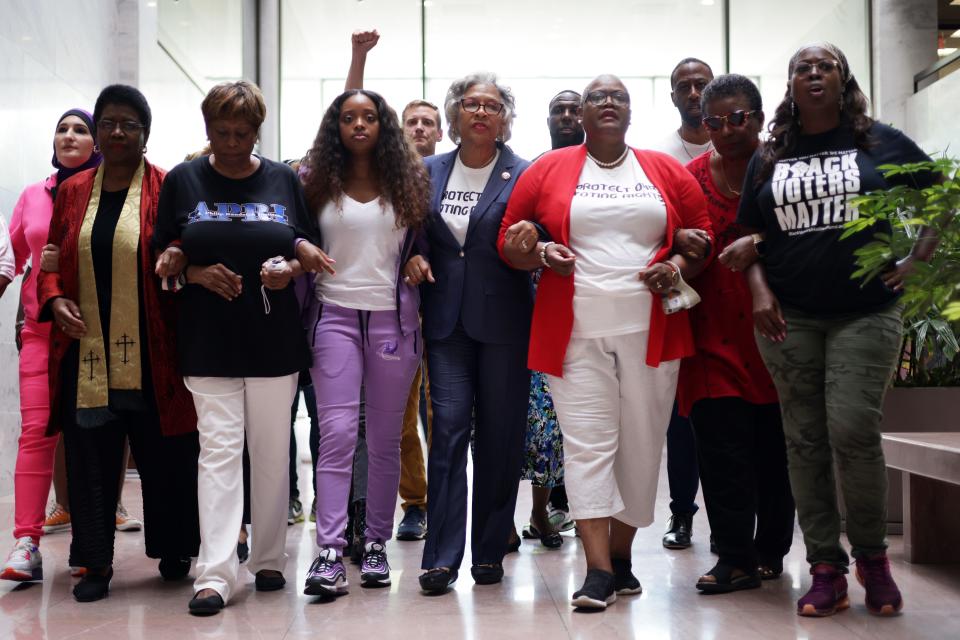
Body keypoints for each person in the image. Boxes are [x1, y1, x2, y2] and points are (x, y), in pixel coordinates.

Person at [736, 43, 938, 617]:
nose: (814, 73)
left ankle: (873, 558)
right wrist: (759, 291)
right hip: (789, 317)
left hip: (866, 311)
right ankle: (825, 566)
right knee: (803, 441)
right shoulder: (770, 153)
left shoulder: (879, 140)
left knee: (852, 430)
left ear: (842, 79)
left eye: (826, 65)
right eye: (803, 67)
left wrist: (917, 260)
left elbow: (940, 198)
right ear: (791, 83)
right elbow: (749, 235)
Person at [498, 74, 711, 610]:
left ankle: (621, 557)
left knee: (641, 449)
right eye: (597, 97)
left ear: (631, 112)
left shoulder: (662, 169)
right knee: (587, 447)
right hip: (573, 334)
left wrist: (679, 263)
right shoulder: (548, 169)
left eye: (618, 96)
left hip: (652, 334)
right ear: (585, 114)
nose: (608, 103)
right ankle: (596, 571)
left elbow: (703, 234)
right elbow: (509, 237)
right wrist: (537, 252)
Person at [153, 80, 317, 615]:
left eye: (242, 133)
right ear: (207, 129)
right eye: (221, 132)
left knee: (272, 452)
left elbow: (304, 249)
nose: (230, 142)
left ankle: (269, 557)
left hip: (273, 338)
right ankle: (217, 571)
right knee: (219, 453)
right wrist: (195, 272)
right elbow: (164, 258)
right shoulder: (183, 181)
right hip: (208, 340)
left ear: (257, 130)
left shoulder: (283, 179)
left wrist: (286, 270)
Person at [35, 85, 201, 602]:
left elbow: (184, 240)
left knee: (165, 450)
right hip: (88, 346)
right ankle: (95, 562)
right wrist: (55, 298)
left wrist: (176, 251)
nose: (117, 131)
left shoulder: (168, 185)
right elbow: (53, 257)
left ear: (145, 133)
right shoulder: (73, 189)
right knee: (90, 450)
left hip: (153, 344)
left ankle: (174, 546)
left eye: (128, 123)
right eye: (107, 123)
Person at [402, 72, 532, 593]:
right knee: (448, 433)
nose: (481, 112)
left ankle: (489, 551)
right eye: (472, 104)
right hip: (445, 323)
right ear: (454, 116)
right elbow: (412, 234)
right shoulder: (426, 171)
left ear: (504, 119)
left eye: (492, 106)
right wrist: (414, 255)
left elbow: (537, 232)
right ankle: (440, 557)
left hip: (504, 321)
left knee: (500, 437)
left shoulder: (524, 173)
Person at [298, 88, 429, 596]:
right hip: (332, 317)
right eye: (348, 118)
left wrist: (419, 260)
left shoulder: (409, 181)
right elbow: (291, 226)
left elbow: (425, 241)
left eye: (368, 117)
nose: (358, 125)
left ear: (382, 126)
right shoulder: (315, 181)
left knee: (384, 437)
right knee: (334, 434)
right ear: (336, 127)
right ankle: (329, 552)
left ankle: (374, 544)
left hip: (393, 322)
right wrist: (296, 246)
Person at [677, 74, 795, 594]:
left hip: (778, 328)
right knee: (721, 450)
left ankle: (771, 549)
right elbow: (673, 242)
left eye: (737, 118)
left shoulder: (785, 170)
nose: (726, 129)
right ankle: (734, 555)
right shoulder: (691, 177)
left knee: (776, 449)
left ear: (759, 117)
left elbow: (811, 235)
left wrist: (761, 241)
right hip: (710, 331)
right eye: (715, 121)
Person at [0, 109, 101, 582]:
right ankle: (26, 542)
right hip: (40, 333)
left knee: (90, 435)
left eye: (80, 129)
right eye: (62, 128)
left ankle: (90, 540)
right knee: (37, 431)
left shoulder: (108, 192)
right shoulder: (32, 196)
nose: (68, 135)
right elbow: (12, 258)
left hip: (95, 334)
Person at [516, 89, 587, 547]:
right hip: (529, 309)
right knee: (519, 417)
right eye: (557, 110)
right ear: (546, 120)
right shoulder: (534, 172)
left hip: (588, 310)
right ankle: (505, 518)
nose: (565, 116)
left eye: (572, 109)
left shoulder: (602, 171)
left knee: (559, 423)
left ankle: (546, 512)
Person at [653, 57, 716, 551]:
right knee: (682, 416)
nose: (694, 93)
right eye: (685, 86)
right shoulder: (662, 157)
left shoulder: (740, 144)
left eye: (702, 85)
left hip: (734, 296)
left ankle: (737, 521)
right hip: (683, 297)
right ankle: (681, 516)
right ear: (673, 96)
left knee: (734, 414)